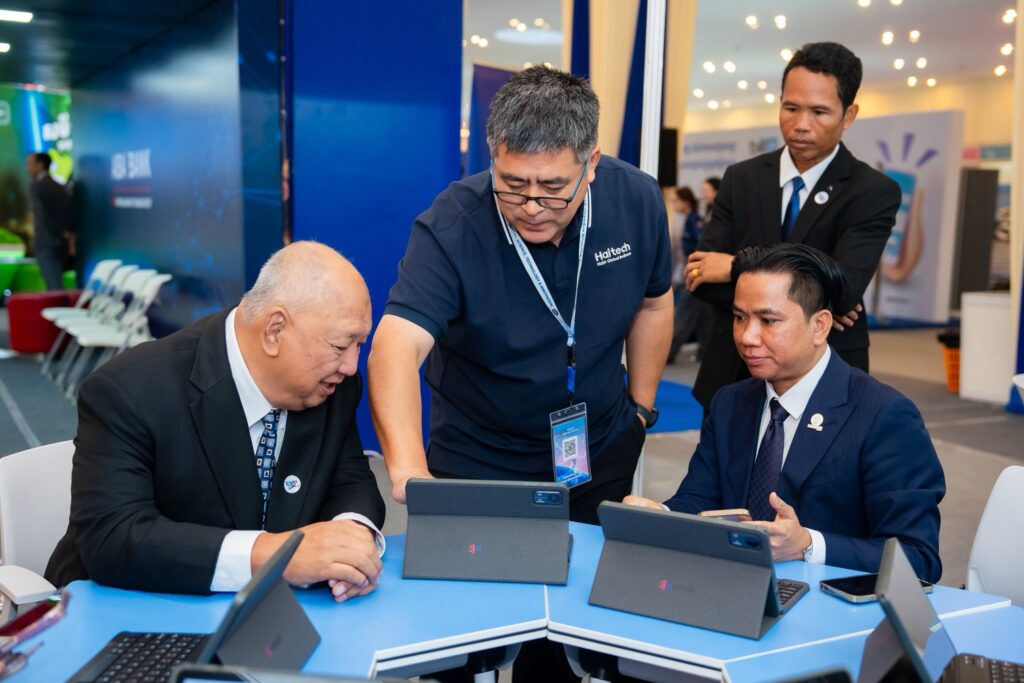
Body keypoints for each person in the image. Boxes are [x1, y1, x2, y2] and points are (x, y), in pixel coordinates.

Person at [368, 66, 672, 683]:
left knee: (572, 624)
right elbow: (394, 346)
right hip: (480, 458)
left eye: (553, 187)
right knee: (458, 633)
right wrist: (407, 469)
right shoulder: (453, 223)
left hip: (595, 449)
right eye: (512, 185)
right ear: (492, 156)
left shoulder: (636, 200)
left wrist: (641, 409)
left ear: (591, 163)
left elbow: (654, 302)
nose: (531, 206)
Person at [46, 242, 386, 601]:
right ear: (275, 330)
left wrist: (350, 538)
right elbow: (113, 539)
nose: (351, 366)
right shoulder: (128, 390)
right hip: (124, 609)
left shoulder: (331, 385)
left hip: (266, 616)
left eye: (360, 345)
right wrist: (273, 556)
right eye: (340, 347)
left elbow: (350, 479)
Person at [626, 244, 945, 582]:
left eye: (768, 321)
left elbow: (918, 558)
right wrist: (661, 515)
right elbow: (701, 498)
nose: (747, 337)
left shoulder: (884, 416)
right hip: (734, 590)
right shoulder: (730, 403)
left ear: (820, 326)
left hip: (827, 602)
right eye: (739, 317)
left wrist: (808, 545)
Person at [685, 42, 901, 411]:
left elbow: (845, 289)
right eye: (791, 108)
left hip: (825, 373)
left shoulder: (872, 191)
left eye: (819, 112)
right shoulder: (742, 178)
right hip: (734, 372)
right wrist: (814, 298)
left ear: (848, 115)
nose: (801, 124)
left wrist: (734, 267)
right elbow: (701, 277)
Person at [668, 187, 711, 363]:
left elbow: (701, 246)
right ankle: (706, 352)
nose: (674, 203)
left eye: (676, 200)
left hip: (695, 271)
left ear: (685, 201)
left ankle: (666, 353)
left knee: (684, 314)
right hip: (690, 270)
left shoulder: (695, 220)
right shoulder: (687, 219)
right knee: (703, 316)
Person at [25, 152, 72, 290]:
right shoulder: (57, 186)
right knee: (54, 286)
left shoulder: (39, 186)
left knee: (54, 288)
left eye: (30, 164)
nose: (27, 168)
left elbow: (45, 217)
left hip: (47, 244)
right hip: (56, 243)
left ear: (40, 165)